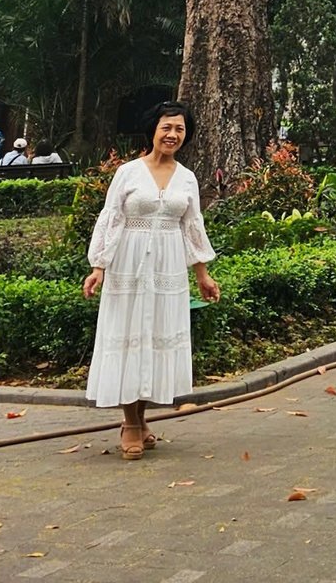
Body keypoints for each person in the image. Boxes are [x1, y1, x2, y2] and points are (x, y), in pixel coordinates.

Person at [84, 102, 221, 460]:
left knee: (153, 338)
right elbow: (111, 219)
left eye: (179, 129)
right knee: (130, 337)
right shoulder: (129, 173)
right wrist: (99, 266)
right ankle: (130, 423)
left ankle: (141, 419)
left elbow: (192, 226)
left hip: (168, 269)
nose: (172, 134)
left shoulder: (187, 177)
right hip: (128, 267)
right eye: (166, 128)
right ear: (153, 131)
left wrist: (203, 275)